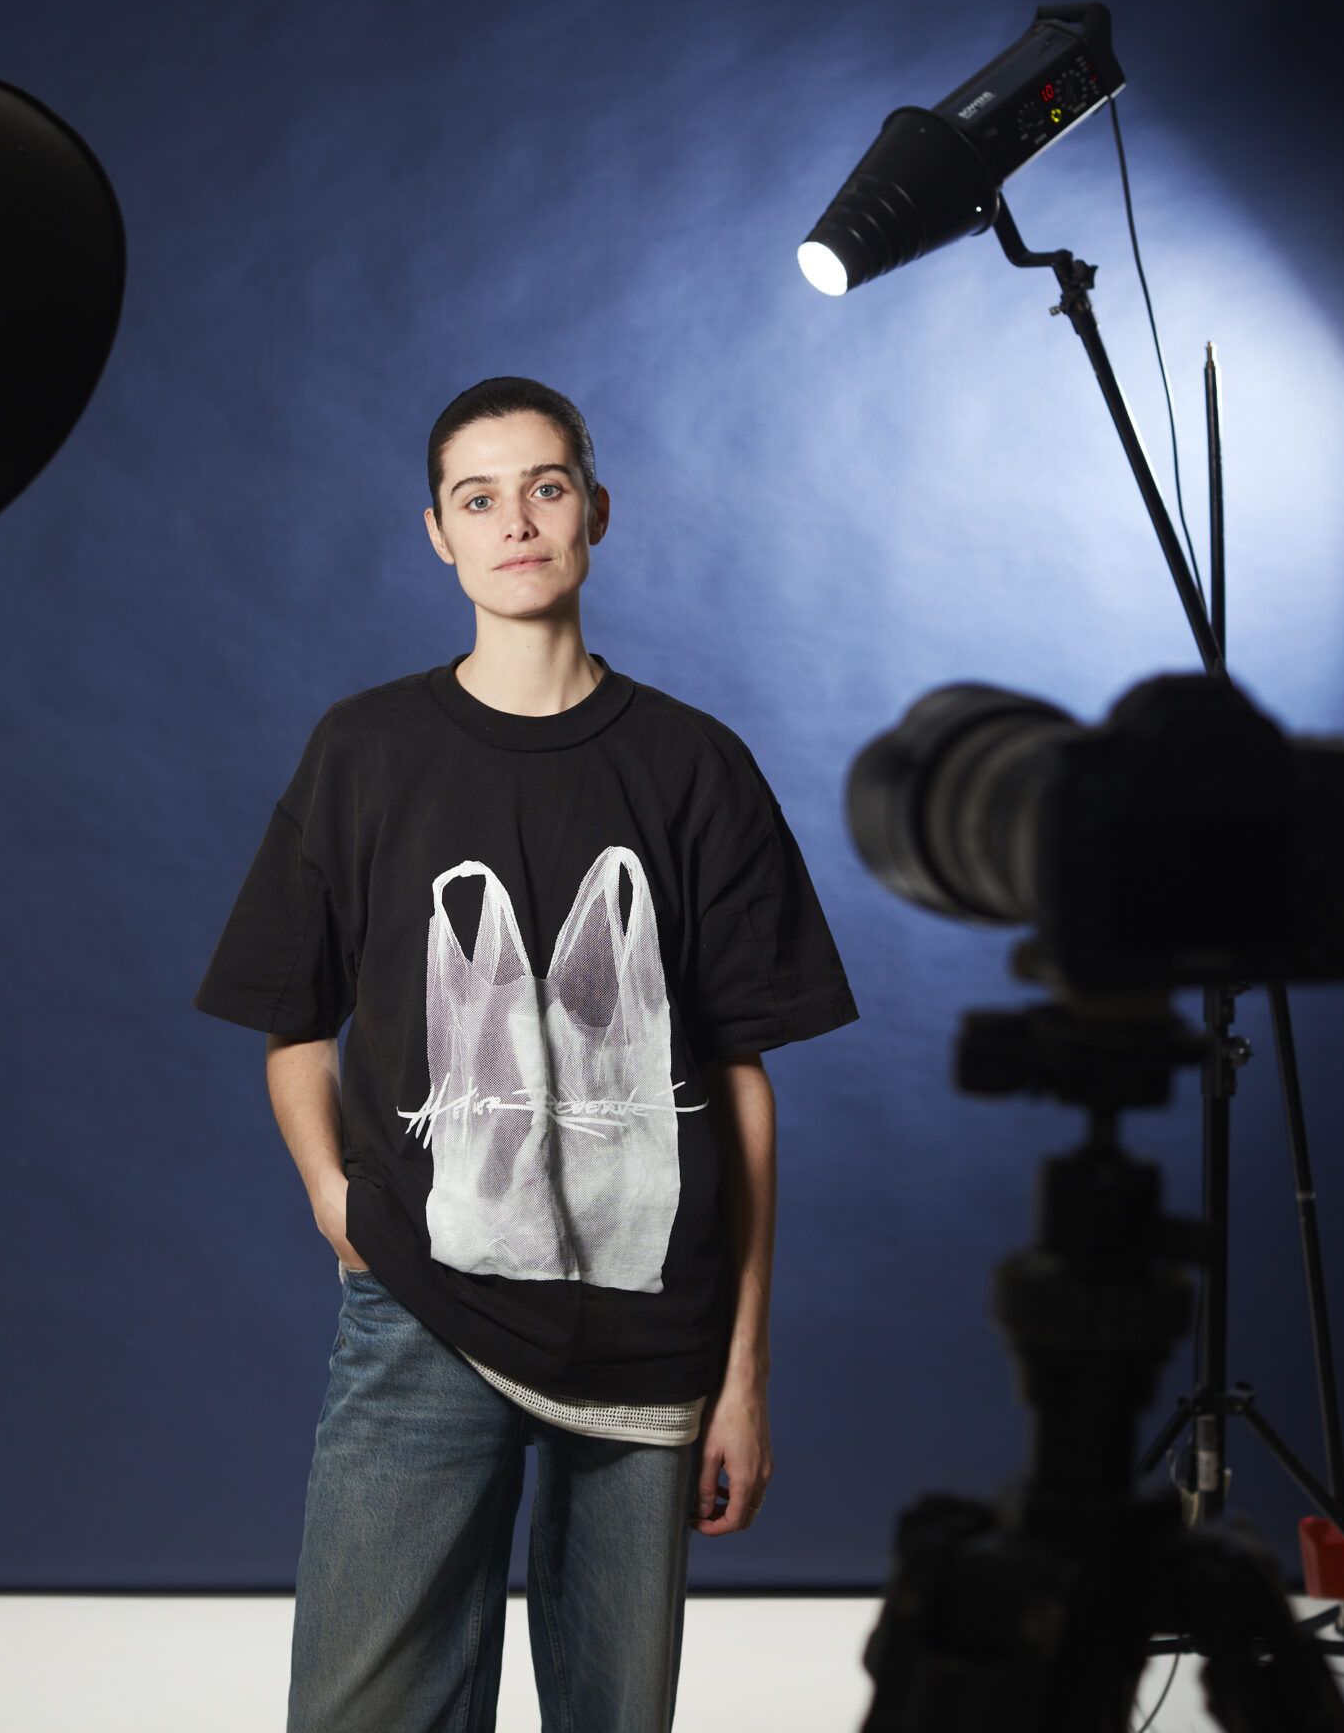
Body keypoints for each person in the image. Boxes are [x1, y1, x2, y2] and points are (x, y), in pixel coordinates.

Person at [195, 376, 858, 1732]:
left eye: (546, 488)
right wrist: (333, 1197)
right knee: (361, 1711)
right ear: (438, 533)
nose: (516, 522)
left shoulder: (697, 766)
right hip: (422, 1305)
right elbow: (292, 1019)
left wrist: (743, 1376)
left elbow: (740, 1082)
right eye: (479, 498)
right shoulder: (365, 750)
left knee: (616, 1716)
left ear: (594, 511)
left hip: (651, 1329)